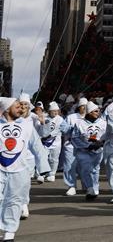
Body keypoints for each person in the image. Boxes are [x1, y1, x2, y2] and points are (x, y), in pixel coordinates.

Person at [0, 97, 49, 241]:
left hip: (20, 170)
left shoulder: (27, 125)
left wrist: (43, 167)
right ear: (7, 108)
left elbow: (37, 146)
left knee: (14, 201)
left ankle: (9, 232)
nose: (21, 108)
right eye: (17, 106)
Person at [70, 101, 107, 201]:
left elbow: (107, 136)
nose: (98, 113)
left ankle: (95, 188)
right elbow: (74, 138)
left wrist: (101, 143)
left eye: (99, 111)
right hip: (83, 151)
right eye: (95, 111)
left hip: (98, 151)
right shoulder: (79, 123)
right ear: (89, 112)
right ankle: (90, 188)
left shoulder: (103, 123)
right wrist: (88, 145)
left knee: (95, 169)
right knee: (86, 168)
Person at [61, 97, 87, 196]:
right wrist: (73, 129)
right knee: (69, 166)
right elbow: (63, 127)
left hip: (84, 147)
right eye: (82, 106)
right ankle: (71, 186)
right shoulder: (71, 117)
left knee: (85, 166)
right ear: (78, 107)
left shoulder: (91, 117)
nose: (84, 108)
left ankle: (86, 185)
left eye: (85, 106)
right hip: (70, 145)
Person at [41, 102, 64, 182]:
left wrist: (50, 135)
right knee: (43, 157)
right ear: (49, 111)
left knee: (54, 159)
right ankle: (42, 173)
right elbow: (40, 127)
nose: (55, 112)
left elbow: (59, 129)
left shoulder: (60, 119)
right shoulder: (44, 117)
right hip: (44, 142)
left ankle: (52, 174)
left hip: (56, 142)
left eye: (57, 111)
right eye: (53, 111)